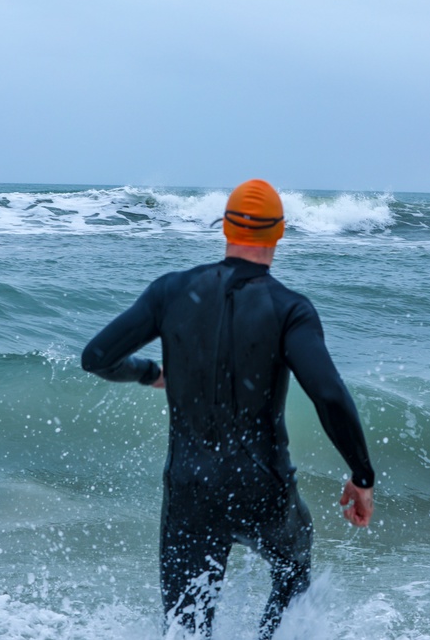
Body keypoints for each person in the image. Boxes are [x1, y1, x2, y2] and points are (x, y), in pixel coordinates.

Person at [82, 179, 375, 639]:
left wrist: (150, 373)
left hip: (189, 491)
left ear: (224, 228)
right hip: (263, 489)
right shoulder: (289, 309)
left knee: (186, 628)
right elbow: (329, 395)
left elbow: (97, 357)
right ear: (279, 234)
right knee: (294, 564)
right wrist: (362, 476)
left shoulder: (171, 292)